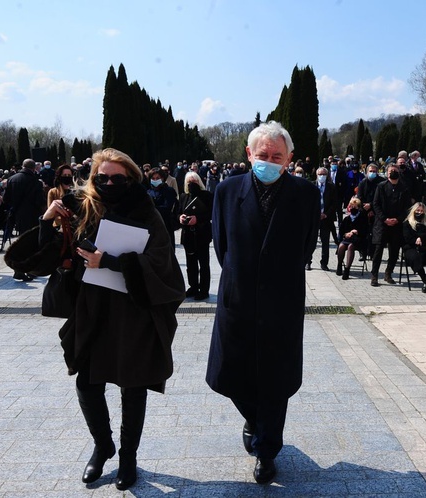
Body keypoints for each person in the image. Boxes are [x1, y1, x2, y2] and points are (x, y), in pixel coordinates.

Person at [39, 148, 185, 490]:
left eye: (117, 178)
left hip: (132, 311)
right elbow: (46, 257)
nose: (109, 183)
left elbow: (162, 264)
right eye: (102, 177)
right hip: (90, 308)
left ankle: (128, 458)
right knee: (87, 383)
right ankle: (103, 446)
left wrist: (110, 262)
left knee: (132, 385)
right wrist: (47, 221)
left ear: (131, 179)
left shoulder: (146, 211)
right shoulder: (82, 206)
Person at [206, 121, 320, 484]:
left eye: (276, 156)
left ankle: (266, 450)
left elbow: (306, 245)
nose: (268, 161)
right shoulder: (226, 191)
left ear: (289, 159)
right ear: (248, 155)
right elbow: (222, 246)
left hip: (282, 300)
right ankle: (254, 418)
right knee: (230, 373)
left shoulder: (304, 193)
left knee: (275, 377)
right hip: (237, 298)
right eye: (262, 155)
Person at [370, 162, 411, 287]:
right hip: (382, 224)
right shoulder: (381, 186)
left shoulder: (404, 188)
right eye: (390, 171)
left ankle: (389, 272)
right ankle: (375, 275)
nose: (393, 173)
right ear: (387, 174)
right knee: (378, 250)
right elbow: (376, 204)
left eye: (395, 171)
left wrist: (398, 219)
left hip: (397, 224)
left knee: (394, 251)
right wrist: (384, 219)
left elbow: (407, 207)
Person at [3, 158, 45, 280]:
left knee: (20, 241)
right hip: (32, 215)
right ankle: (26, 269)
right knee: (31, 243)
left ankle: (20, 270)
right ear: (34, 168)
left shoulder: (12, 179)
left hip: (17, 215)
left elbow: (6, 199)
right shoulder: (35, 182)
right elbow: (39, 201)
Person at [178, 171, 213, 300]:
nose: (192, 184)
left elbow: (211, 213)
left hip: (202, 234)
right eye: (189, 182)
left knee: (204, 264)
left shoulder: (207, 196)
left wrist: (197, 219)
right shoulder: (183, 196)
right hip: (188, 235)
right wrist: (180, 217)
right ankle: (193, 286)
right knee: (190, 264)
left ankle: (204, 290)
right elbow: (178, 212)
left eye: (194, 181)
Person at [403, 202, 426, 293]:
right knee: (416, 258)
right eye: (418, 210)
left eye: (422, 211)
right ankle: (425, 281)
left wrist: (420, 237)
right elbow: (408, 238)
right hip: (411, 247)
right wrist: (418, 238)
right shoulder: (407, 223)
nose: (419, 212)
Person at [336, 197, 368, 280]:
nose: (353, 208)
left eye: (355, 207)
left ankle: (347, 269)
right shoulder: (347, 219)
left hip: (358, 240)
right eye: (351, 206)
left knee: (350, 246)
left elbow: (366, 230)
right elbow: (341, 231)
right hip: (347, 238)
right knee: (341, 246)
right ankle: (339, 265)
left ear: (358, 207)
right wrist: (346, 234)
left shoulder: (363, 217)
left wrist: (357, 231)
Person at [313, 166, 338, 271]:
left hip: (326, 218)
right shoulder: (312, 186)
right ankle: (308, 261)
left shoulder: (331, 187)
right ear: (316, 175)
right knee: (311, 241)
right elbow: (308, 202)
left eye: (324, 174)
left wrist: (326, 214)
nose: (322, 176)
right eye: (320, 174)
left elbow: (334, 203)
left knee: (325, 242)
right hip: (314, 218)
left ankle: (324, 263)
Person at [146, 167, 179, 247]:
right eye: (153, 178)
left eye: (157, 178)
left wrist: (151, 209)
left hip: (166, 225)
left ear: (162, 178)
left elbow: (167, 208)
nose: (155, 180)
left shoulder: (169, 191)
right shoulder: (148, 192)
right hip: (151, 227)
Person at [356, 163, 383, 259]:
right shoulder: (363, 182)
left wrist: (371, 206)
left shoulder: (381, 182)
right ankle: (363, 253)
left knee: (374, 233)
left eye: (374, 171)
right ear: (367, 172)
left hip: (377, 211)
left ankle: (372, 253)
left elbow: (381, 198)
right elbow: (360, 196)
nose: (372, 173)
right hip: (364, 210)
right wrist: (366, 207)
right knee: (363, 232)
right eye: (370, 171)